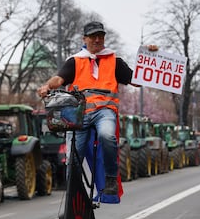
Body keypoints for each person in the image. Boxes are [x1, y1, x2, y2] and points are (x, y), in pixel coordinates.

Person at [38, 21, 151, 197]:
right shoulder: (76, 61)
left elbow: (136, 80)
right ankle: (72, 201)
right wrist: (46, 86)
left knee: (107, 135)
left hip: (104, 112)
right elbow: (58, 80)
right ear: (85, 39)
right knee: (73, 158)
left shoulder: (114, 61)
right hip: (79, 116)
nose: (97, 39)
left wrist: (151, 57)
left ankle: (110, 178)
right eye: (93, 36)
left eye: (100, 36)